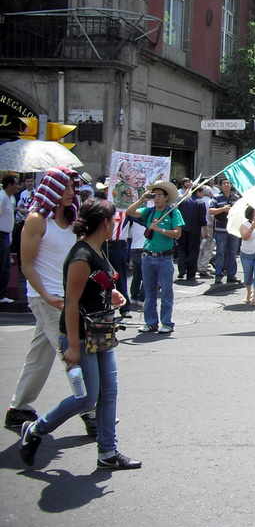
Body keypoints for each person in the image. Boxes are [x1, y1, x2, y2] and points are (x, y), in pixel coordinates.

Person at [18, 198, 141, 470]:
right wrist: (72, 345)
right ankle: (36, 429)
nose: (116, 223)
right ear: (106, 223)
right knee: (86, 397)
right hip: (82, 336)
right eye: (113, 219)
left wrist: (112, 293)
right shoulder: (81, 256)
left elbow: (94, 285)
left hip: (101, 332)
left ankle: (107, 452)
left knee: (109, 393)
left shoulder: (98, 248)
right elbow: (71, 302)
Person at [5, 168, 94, 434]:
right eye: (64, 187)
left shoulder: (72, 220)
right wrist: (46, 296)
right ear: (50, 188)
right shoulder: (36, 220)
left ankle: (18, 408)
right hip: (48, 299)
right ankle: (89, 410)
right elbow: (27, 265)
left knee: (39, 356)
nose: (70, 192)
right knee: (73, 354)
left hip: (69, 296)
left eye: (72, 186)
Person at [125, 179, 183, 334]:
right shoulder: (149, 212)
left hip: (164, 258)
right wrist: (142, 200)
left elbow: (177, 234)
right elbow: (129, 212)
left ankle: (167, 322)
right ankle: (150, 322)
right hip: (148, 256)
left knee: (165, 292)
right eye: (154, 195)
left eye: (159, 195)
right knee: (149, 292)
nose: (156, 198)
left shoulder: (173, 212)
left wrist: (160, 230)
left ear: (166, 198)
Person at [210, 178, 241, 284]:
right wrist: (222, 209)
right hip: (221, 229)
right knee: (220, 253)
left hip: (233, 230)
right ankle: (218, 275)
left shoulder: (236, 197)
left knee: (233, 253)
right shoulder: (216, 197)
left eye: (228, 183)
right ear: (221, 186)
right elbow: (211, 211)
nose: (226, 185)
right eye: (224, 183)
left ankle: (231, 275)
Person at [176, 186, 207, 281]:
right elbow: (202, 219)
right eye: (202, 192)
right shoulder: (200, 202)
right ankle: (191, 274)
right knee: (193, 252)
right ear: (198, 192)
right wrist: (206, 231)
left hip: (182, 229)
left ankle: (181, 269)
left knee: (182, 250)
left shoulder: (183, 201)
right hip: (194, 230)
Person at [0, 174, 19, 304]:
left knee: (5, 266)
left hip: (5, 235)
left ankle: (1, 293)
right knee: (1, 266)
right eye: (16, 184)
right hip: (1, 235)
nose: (18, 187)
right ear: (10, 185)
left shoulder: (8, 198)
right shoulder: (2, 196)